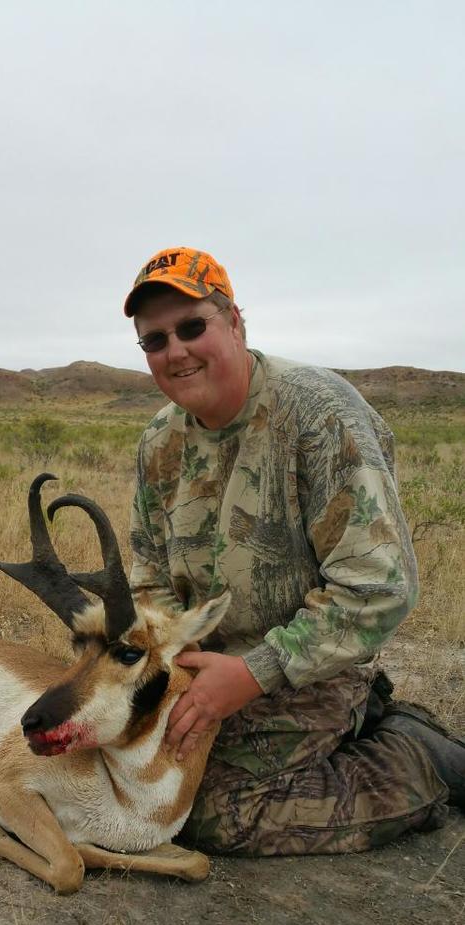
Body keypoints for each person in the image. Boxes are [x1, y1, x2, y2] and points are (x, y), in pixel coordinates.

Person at [123, 246, 464, 855]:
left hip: (311, 667)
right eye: (154, 341)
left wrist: (255, 673)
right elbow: (148, 576)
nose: (174, 350)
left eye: (192, 326)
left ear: (235, 323)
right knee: (139, 784)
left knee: (211, 814)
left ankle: (419, 758)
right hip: (205, 667)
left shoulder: (320, 417)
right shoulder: (157, 443)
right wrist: (176, 652)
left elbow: (379, 587)